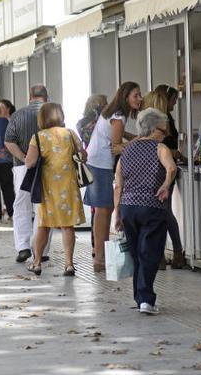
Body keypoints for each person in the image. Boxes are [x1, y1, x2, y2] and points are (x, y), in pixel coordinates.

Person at [112, 108, 176, 315]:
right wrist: (166, 184)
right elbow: (172, 168)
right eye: (162, 130)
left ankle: (140, 298)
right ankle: (146, 299)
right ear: (153, 129)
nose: (164, 134)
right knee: (149, 253)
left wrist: (117, 212)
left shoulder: (127, 151)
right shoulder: (160, 148)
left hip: (129, 208)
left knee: (137, 253)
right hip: (152, 206)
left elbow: (118, 185)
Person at [23, 103, 86, 276]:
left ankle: (36, 263)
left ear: (42, 118)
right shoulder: (70, 134)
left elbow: (30, 162)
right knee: (67, 226)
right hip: (69, 186)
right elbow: (83, 155)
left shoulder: (38, 137)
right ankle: (69, 264)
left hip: (47, 187)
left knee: (44, 225)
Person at [85, 81, 142, 272]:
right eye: (136, 95)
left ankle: (100, 256)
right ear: (125, 97)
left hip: (97, 162)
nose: (139, 99)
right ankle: (100, 259)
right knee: (104, 210)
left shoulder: (115, 114)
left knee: (104, 210)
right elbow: (116, 146)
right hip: (100, 164)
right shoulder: (119, 116)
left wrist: (134, 137)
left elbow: (118, 134)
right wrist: (140, 142)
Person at [5, 85, 53, 263]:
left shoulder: (17, 115)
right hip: (48, 166)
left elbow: (9, 141)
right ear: (46, 97)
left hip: (22, 167)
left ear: (30, 96)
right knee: (43, 207)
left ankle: (23, 247)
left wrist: (25, 158)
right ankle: (42, 249)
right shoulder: (52, 114)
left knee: (21, 206)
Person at [141, 86, 185, 270]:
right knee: (163, 212)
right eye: (173, 100)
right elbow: (169, 146)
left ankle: (165, 254)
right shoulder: (164, 122)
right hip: (164, 169)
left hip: (156, 170)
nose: (175, 103)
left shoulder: (156, 122)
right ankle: (174, 252)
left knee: (160, 212)